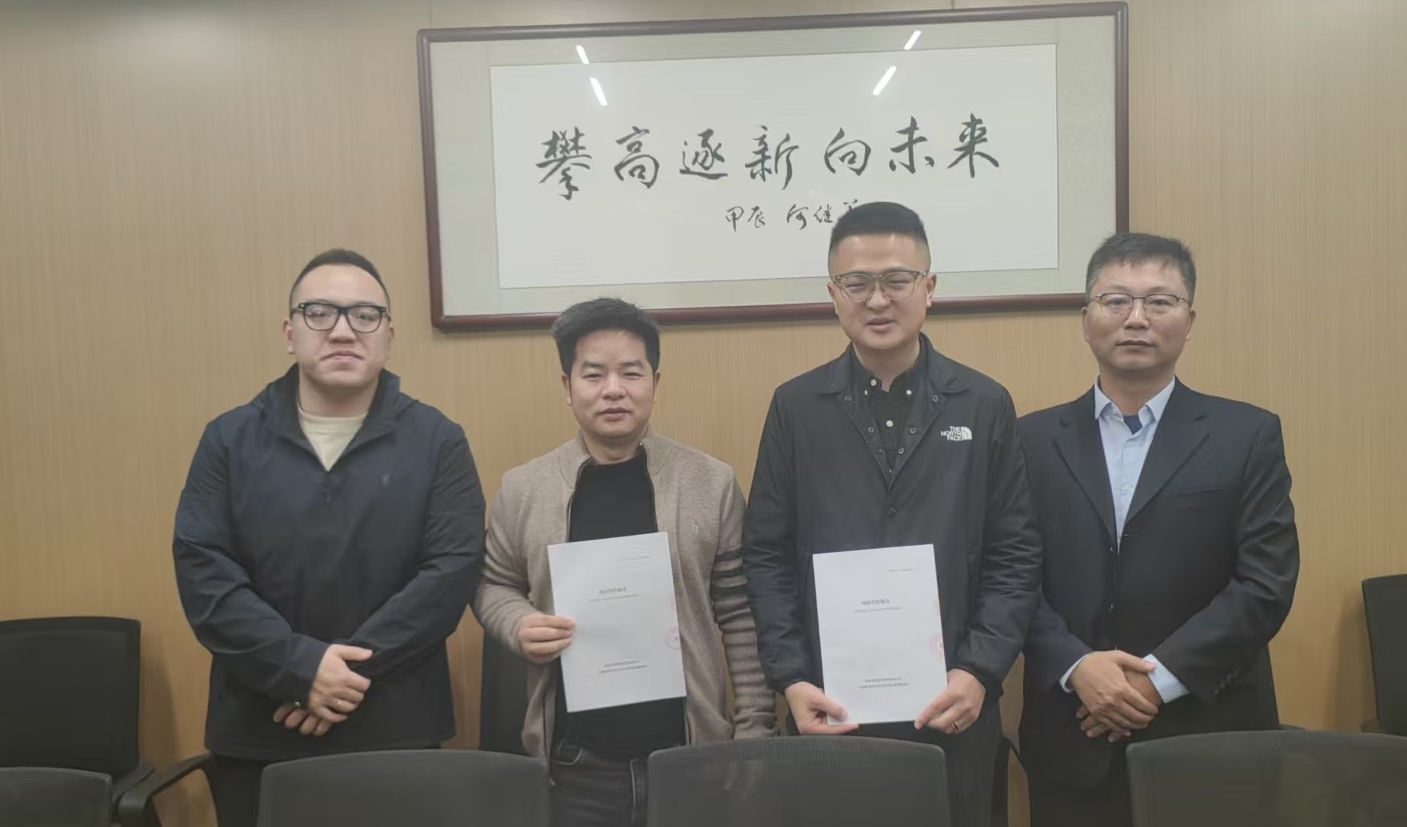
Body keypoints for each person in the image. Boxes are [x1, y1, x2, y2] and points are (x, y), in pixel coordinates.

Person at [743, 201, 1040, 827]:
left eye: (897, 280)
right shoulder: (796, 407)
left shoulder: (983, 403)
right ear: (834, 294)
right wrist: (791, 679)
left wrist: (979, 670)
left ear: (929, 288)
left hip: (953, 707)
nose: (878, 300)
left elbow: (1015, 554)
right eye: (857, 283)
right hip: (830, 709)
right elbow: (766, 555)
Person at [173, 249, 485, 827]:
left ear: (389, 336)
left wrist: (339, 678)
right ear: (289, 333)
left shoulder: (437, 440)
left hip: (395, 730)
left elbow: (451, 573)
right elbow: (204, 574)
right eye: (319, 313)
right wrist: (299, 667)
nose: (343, 330)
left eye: (365, 315)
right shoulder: (229, 440)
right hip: (260, 731)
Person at [1018, 232, 1299, 827]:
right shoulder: (1028, 440)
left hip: (1210, 731)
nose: (1137, 318)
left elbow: (1265, 584)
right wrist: (1077, 666)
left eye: (1160, 302)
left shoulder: (1247, 435)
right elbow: (1010, 576)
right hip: (1072, 732)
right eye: (1116, 300)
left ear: (1189, 321)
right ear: (1086, 319)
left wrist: (1157, 682)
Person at [474, 297, 776, 827]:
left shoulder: (711, 484)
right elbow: (492, 584)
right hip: (573, 767)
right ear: (567, 386)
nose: (613, 389)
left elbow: (740, 613)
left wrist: (752, 734)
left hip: (690, 759)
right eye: (593, 374)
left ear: (655, 383)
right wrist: (518, 623)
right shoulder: (524, 489)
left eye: (631, 373)